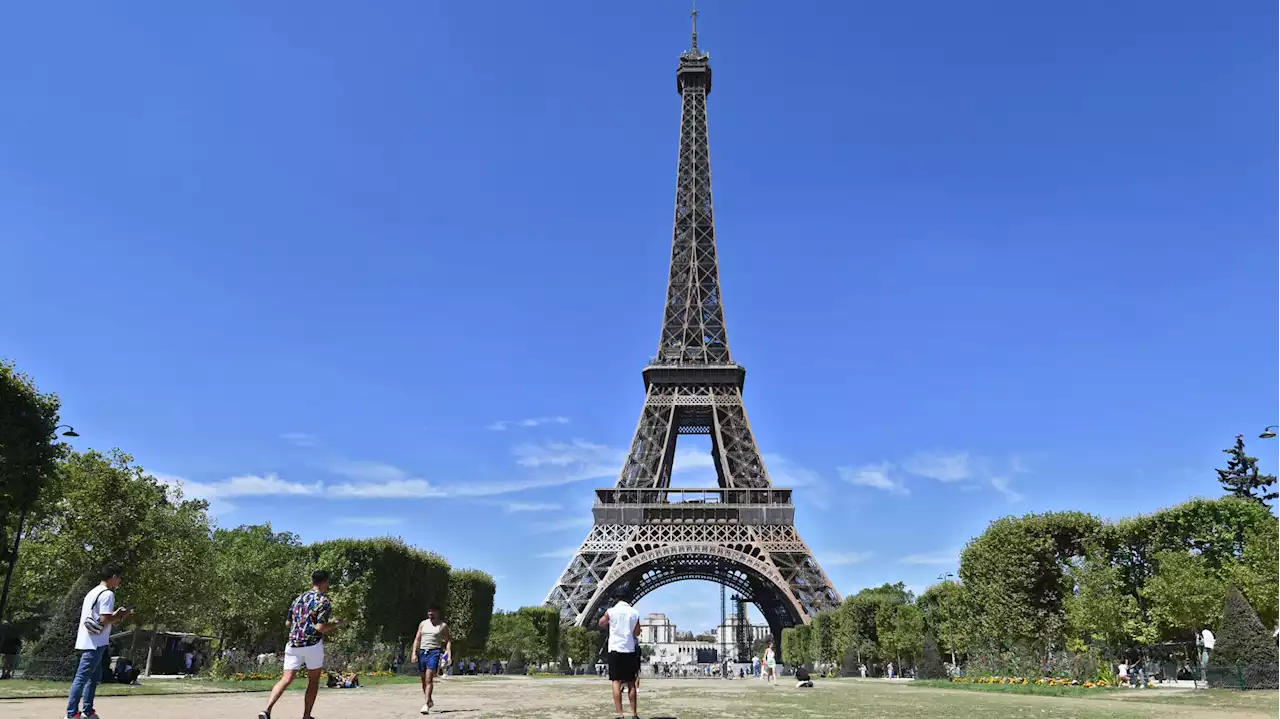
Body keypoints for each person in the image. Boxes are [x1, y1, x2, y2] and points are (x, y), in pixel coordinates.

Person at [258, 569, 346, 719]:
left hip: (293, 644)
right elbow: (320, 628)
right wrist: (337, 624)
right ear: (324, 582)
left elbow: (288, 623)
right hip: (312, 644)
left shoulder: (298, 599)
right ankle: (306, 715)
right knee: (313, 681)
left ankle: (266, 710)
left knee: (286, 679)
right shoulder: (323, 601)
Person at [66, 563, 132, 719]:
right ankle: (71, 714)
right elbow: (104, 619)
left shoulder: (93, 592)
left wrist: (114, 613)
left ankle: (88, 711)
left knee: (93, 678)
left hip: (87, 639)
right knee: (82, 678)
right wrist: (122, 615)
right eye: (119, 578)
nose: (119, 581)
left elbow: (98, 616)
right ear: (114, 577)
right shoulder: (108, 594)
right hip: (95, 642)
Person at [598, 589, 641, 719]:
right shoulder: (635, 612)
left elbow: (601, 623)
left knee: (616, 682)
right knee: (631, 682)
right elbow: (637, 632)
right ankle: (633, 714)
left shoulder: (611, 612)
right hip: (629, 650)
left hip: (615, 650)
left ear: (616, 599)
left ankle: (619, 714)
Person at [412, 604, 452, 715]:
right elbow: (417, 639)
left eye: (433, 611)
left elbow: (448, 641)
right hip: (422, 652)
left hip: (434, 652)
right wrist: (414, 653)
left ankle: (426, 704)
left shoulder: (443, 626)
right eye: (429, 611)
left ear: (438, 612)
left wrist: (449, 654)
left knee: (429, 678)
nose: (430, 613)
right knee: (423, 680)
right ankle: (429, 700)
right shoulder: (423, 624)